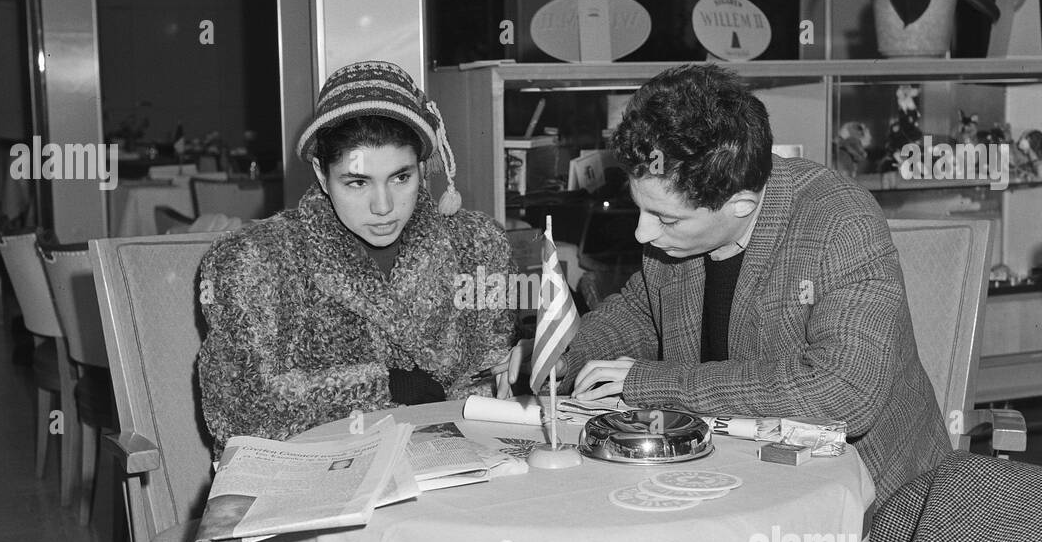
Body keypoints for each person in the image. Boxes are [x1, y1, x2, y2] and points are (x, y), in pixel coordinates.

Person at [562, 64, 951, 509]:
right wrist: (566, 354)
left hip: (876, 510)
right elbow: (641, 311)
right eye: (641, 209)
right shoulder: (677, 229)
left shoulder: (841, 223)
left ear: (741, 205)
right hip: (728, 480)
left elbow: (843, 392)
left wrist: (651, 383)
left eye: (665, 219)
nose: (642, 234)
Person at [198, 60, 520, 453]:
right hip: (317, 476)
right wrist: (391, 384)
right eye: (357, 182)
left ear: (421, 166)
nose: (383, 206)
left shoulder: (477, 246)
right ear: (321, 174)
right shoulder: (257, 260)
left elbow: (489, 379)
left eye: (401, 178)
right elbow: (240, 407)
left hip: (452, 465)